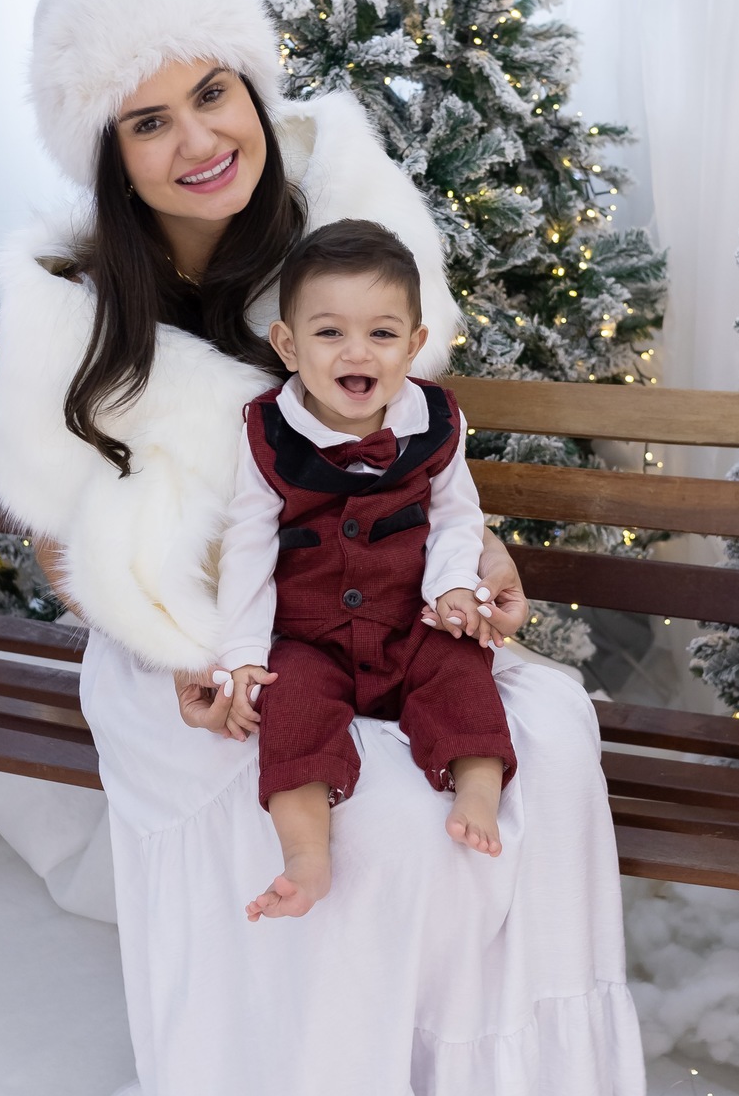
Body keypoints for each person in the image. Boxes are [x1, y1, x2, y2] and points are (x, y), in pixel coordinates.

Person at [0, 0, 649, 1096]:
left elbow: (409, 442)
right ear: (109, 151)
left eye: (212, 94)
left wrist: (488, 555)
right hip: (198, 640)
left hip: (391, 604)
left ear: (253, 86)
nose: (196, 141)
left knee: (555, 735)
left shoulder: (336, 224)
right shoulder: (74, 305)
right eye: (149, 119)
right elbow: (81, 554)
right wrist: (189, 656)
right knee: (376, 823)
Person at [217, 219, 518, 922]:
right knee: (288, 708)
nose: (358, 352)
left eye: (382, 335)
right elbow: (248, 543)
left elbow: (456, 516)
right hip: (311, 635)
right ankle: (306, 853)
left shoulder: (436, 420)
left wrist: (451, 588)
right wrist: (240, 654)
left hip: (409, 620)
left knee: (461, 670)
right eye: (329, 334)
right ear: (288, 345)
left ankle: (476, 784)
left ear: (415, 346)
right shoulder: (267, 431)